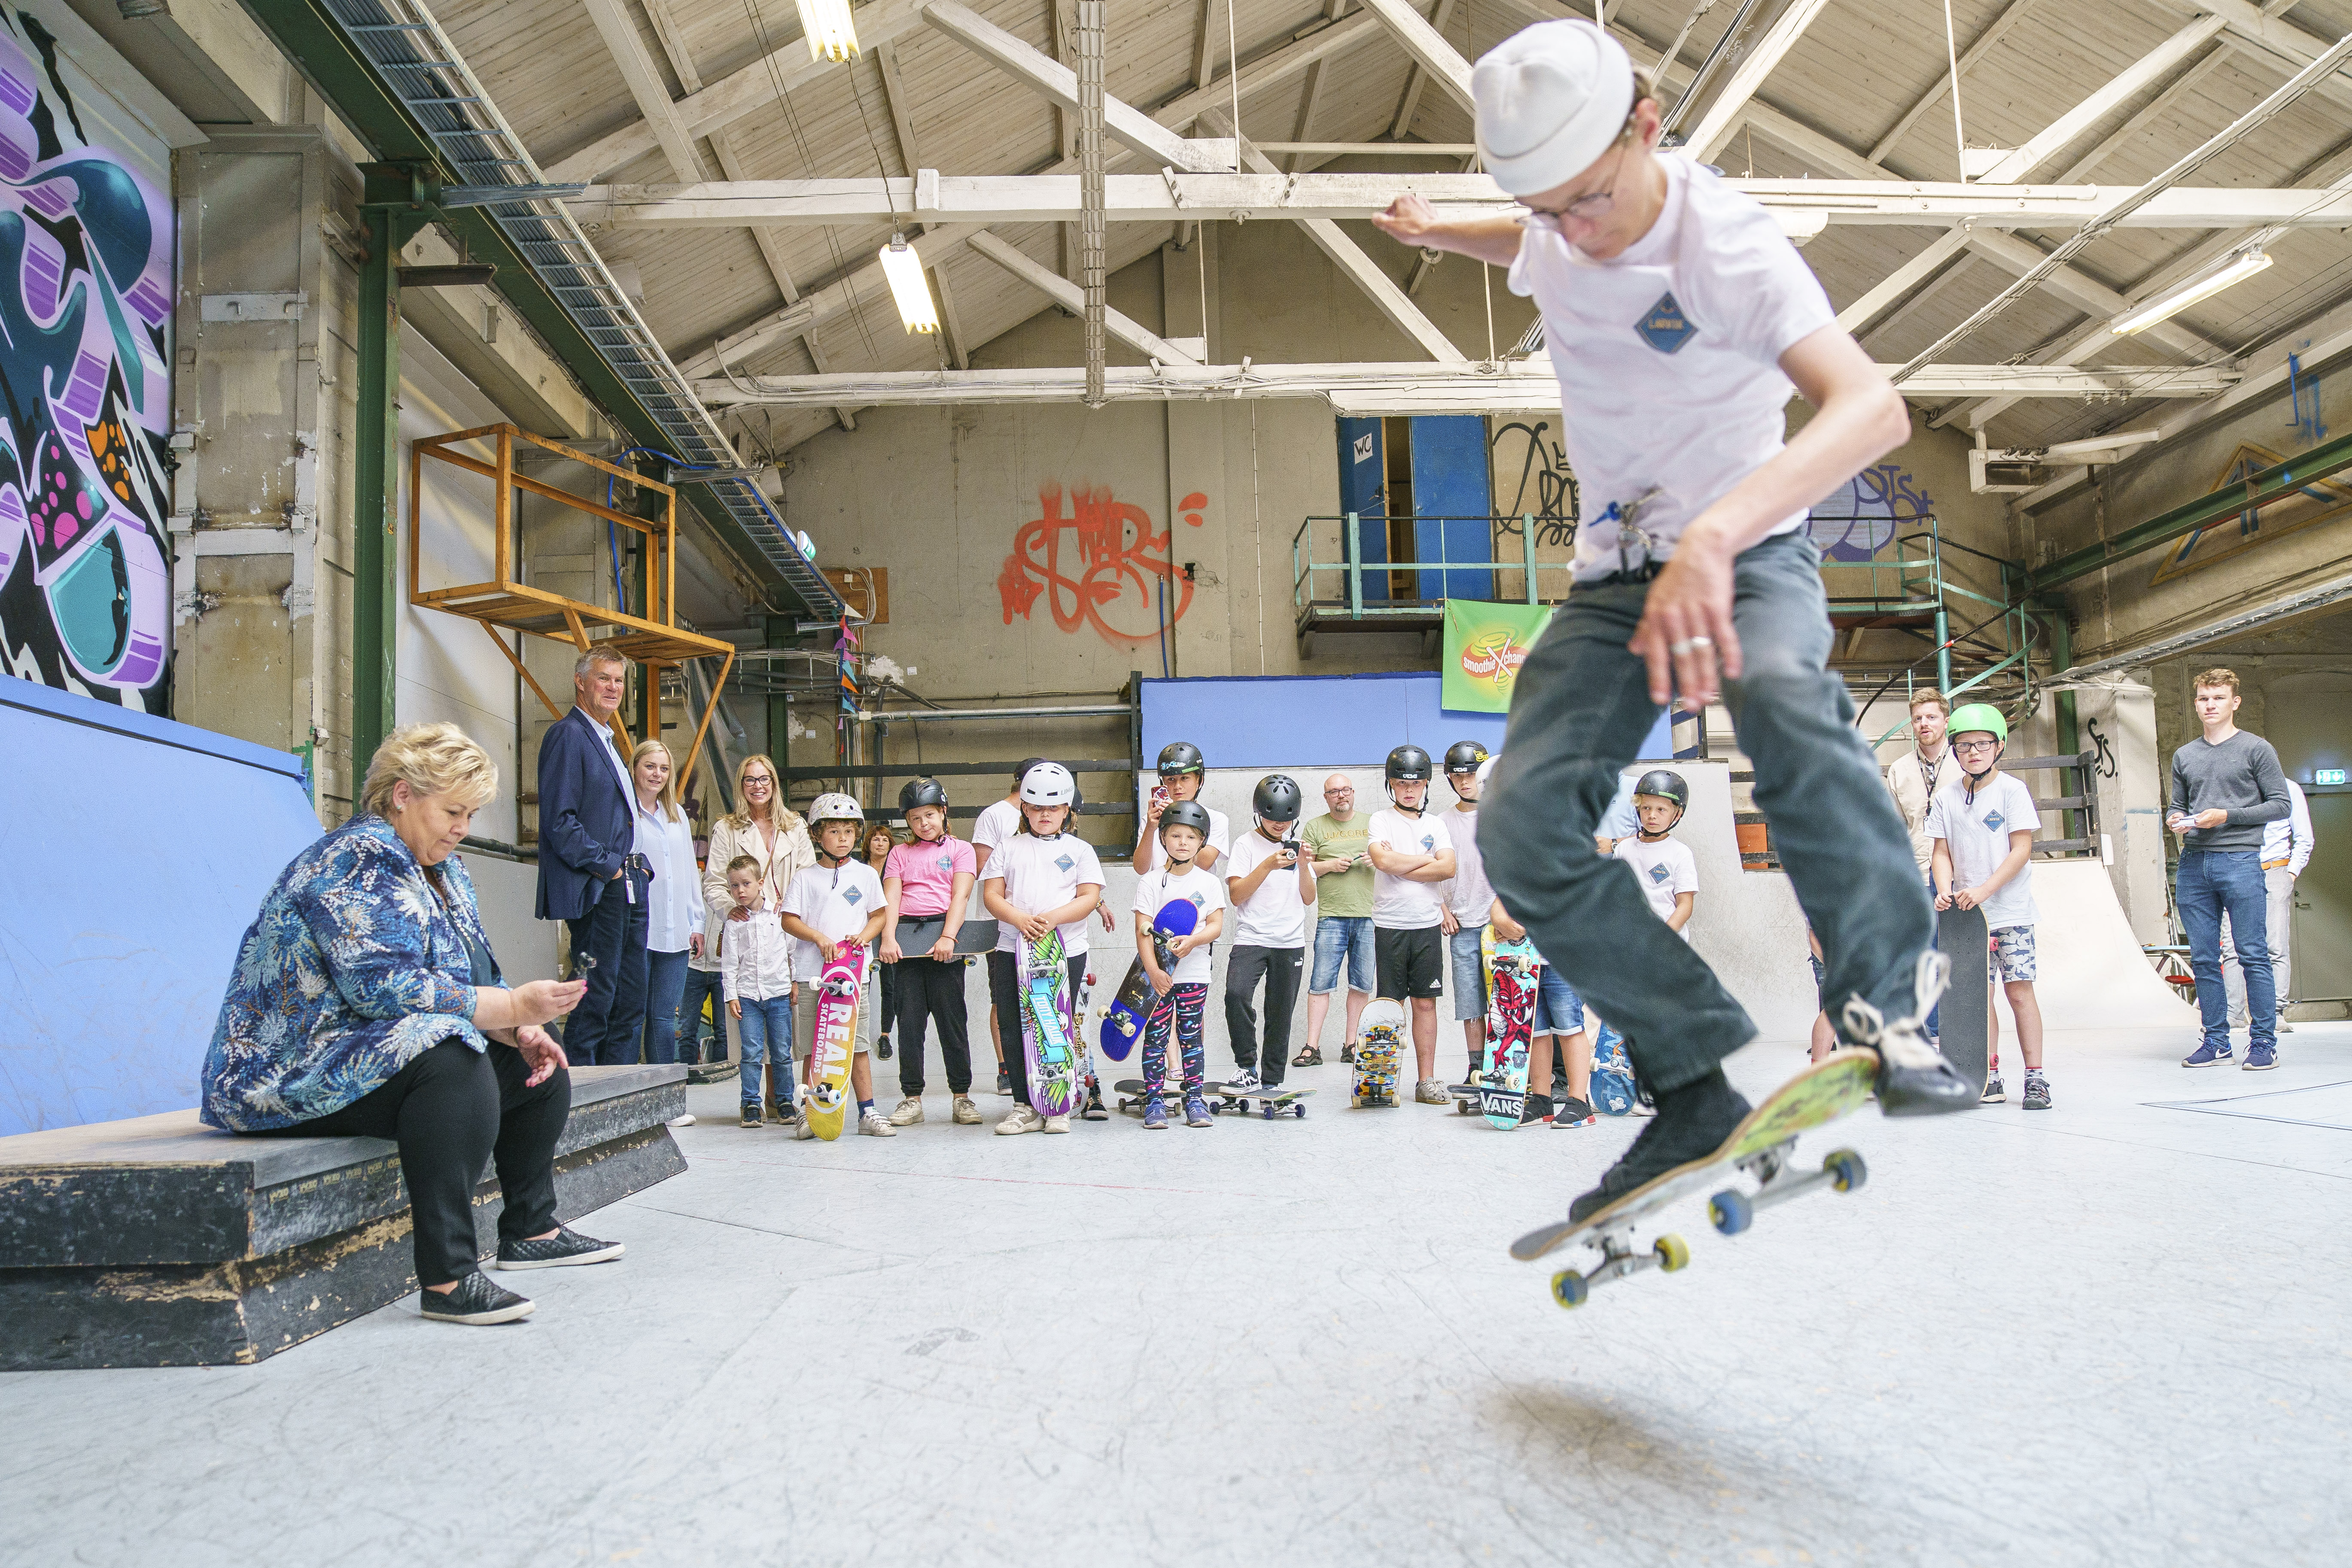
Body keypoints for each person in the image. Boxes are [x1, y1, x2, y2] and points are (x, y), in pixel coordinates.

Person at [1375, 18, 1972, 1218]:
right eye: (1544, 210)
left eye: (1587, 200)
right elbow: (1535, 244)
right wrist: (1451, 228)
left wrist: (1713, 534)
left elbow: (1872, 408)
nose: (1571, 233)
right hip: (1612, 580)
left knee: (1791, 711)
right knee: (1523, 827)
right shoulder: (1555, 226)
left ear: (1646, 129)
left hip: (1744, 550)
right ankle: (1689, 1078)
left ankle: (1883, 1004)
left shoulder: (1731, 249)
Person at [206, 722, 615, 1327]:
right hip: (290, 1069)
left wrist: (518, 1027)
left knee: (537, 1059)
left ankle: (529, 1227)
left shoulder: (445, 872)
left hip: (369, 1054)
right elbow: (381, 988)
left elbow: (473, 975)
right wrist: (506, 1009)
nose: (462, 828)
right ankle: (448, 1277)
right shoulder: (354, 859)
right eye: (453, 810)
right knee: (452, 1060)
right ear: (402, 795)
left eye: (471, 814)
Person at [2170, 668, 2292, 1070]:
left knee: (2252, 953)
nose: (2210, 705)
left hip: (2240, 859)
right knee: (2204, 957)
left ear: (2234, 702)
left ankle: (2263, 1042)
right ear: (2195, 703)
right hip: (2193, 863)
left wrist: (2227, 816)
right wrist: (2174, 818)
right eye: (2204, 699)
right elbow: (2177, 803)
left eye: (2218, 698)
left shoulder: (2257, 749)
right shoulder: (2184, 755)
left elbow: (2280, 805)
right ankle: (2216, 1039)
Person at [1927, 705, 2047, 1108]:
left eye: (1981, 744)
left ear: (1998, 747)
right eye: (1963, 745)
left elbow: (2021, 850)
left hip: (2009, 913)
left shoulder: (2011, 791)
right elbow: (1940, 852)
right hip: (1967, 919)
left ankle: (2035, 1077)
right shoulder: (1946, 797)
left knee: (2019, 994)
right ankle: (1988, 1075)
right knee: (1979, 1000)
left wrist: (1983, 889)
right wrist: (1945, 889)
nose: (1973, 752)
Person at [535, 647, 650, 1067]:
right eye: (603, 678)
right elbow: (559, 822)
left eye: (619, 680)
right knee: (596, 990)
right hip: (599, 884)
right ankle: (577, 1084)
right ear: (580, 682)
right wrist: (610, 866)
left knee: (626, 991)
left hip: (626, 881)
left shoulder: (606, 738)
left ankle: (616, 1085)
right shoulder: (568, 736)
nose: (613, 688)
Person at [980, 762, 1104, 1135]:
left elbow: (1089, 897)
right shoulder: (1007, 846)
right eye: (1036, 807)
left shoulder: (1080, 850)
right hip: (1012, 949)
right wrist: (1020, 919)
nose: (1045, 814)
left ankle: (1058, 1105)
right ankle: (1024, 1105)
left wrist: (1050, 918)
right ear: (1025, 809)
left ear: (1067, 810)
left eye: (1053, 808)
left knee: (1056, 1022)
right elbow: (991, 895)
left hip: (1065, 949)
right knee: (1016, 1023)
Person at [702, 753, 813, 1117]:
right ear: (741, 785)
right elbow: (714, 881)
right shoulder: (727, 828)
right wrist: (728, 908)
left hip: (787, 929)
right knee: (750, 1027)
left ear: (774, 783)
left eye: (764, 778)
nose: (758, 785)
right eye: (750, 779)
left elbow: (808, 874)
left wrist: (792, 909)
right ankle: (753, 1099)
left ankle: (781, 1097)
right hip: (745, 929)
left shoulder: (794, 826)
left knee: (785, 1028)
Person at [782, 795, 895, 1138]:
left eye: (849, 830)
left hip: (853, 976)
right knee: (814, 1047)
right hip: (813, 976)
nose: (843, 838)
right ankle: (809, 1111)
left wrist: (863, 936)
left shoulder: (864, 875)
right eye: (834, 831)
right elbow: (788, 919)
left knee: (857, 1044)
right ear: (818, 836)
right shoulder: (805, 877)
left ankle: (867, 1112)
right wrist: (817, 937)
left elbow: (879, 915)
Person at [882, 777, 980, 1127]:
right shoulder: (899, 853)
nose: (923, 824)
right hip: (906, 941)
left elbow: (960, 896)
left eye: (929, 815)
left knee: (952, 1022)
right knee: (909, 1024)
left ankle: (962, 1097)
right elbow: (892, 898)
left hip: (944, 937)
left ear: (943, 811)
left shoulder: (960, 849)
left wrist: (949, 937)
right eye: (914, 819)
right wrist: (888, 938)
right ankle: (911, 1098)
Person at [1366, 744, 1458, 1104]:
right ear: (1391, 785)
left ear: (1425, 785)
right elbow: (1381, 862)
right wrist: (1424, 860)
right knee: (1389, 1005)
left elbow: (1448, 868)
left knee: (1424, 1004)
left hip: (1426, 927)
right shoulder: (1380, 820)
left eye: (1416, 783)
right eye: (1401, 783)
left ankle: (1426, 1081)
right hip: (1390, 926)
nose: (1409, 789)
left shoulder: (1436, 824)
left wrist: (1399, 861)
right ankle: (1382, 1079)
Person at [1133, 800, 1228, 1128]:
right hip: (1156, 977)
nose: (1183, 842)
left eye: (1191, 836)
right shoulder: (1150, 881)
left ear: (1202, 841)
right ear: (1163, 838)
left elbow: (1215, 925)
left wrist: (1194, 941)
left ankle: (1195, 1099)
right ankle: (1155, 1101)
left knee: (1191, 1036)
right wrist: (1154, 971)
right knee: (1156, 1037)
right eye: (1175, 835)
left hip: (1195, 973)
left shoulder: (1209, 882)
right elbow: (1142, 931)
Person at [1223, 775, 1315, 1093]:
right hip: (1251, 937)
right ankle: (1246, 1066)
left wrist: (1303, 865)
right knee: (1235, 995)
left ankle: (1272, 1079)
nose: (1280, 825)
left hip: (1289, 942)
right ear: (1259, 812)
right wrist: (1266, 865)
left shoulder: (1297, 845)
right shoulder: (1245, 844)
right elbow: (1236, 894)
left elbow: (1308, 897)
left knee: (1280, 1013)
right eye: (1273, 818)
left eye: (1287, 819)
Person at [1883, 689, 1954, 1044]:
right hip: (1915, 873)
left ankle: (1964, 1031)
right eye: (1917, 719)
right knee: (1921, 955)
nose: (1924, 724)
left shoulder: (1963, 763)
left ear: (1945, 719)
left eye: (1930, 717)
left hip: (1960, 875)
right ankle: (1932, 1032)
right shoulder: (1899, 770)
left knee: (1959, 951)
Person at [974, 757, 1048, 1096]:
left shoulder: (1053, 813)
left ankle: (1045, 1067)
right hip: (1005, 923)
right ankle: (1007, 1069)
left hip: (1047, 926)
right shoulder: (995, 816)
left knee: (1046, 997)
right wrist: (1016, 914)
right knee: (1003, 998)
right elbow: (983, 868)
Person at [2223, 775, 2312, 1039]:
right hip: (2237, 869)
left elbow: (2304, 837)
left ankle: (2275, 1013)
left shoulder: (2289, 788)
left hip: (2274, 869)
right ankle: (2233, 1013)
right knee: (2232, 944)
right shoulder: (2235, 784)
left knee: (2275, 943)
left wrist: (2291, 873)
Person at [631, 741, 700, 1078]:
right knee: (631, 1013)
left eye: (663, 768)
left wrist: (697, 921)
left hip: (675, 930)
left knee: (662, 1016)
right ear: (634, 768)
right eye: (650, 766)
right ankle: (626, 1095)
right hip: (637, 930)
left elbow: (688, 871)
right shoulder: (625, 813)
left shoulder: (677, 816)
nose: (657, 774)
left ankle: (664, 1097)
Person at [1299, 773, 1375, 1066]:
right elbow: (1303, 869)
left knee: (1361, 984)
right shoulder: (1314, 826)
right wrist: (1330, 864)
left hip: (1368, 915)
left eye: (1345, 790)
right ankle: (1311, 1047)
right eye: (1334, 792)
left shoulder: (1373, 822)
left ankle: (1352, 1045)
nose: (1340, 795)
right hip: (1331, 916)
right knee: (1320, 983)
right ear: (1326, 797)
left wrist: (1376, 858)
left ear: (1353, 792)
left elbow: (1390, 858)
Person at [719, 854, 796, 1128]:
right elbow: (729, 963)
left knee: (782, 1052)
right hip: (748, 996)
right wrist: (731, 995)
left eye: (746, 884)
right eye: (734, 886)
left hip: (778, 994)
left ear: (761, 883)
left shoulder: (779, 914)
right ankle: (750, 1103)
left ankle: (784, 1101)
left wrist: (794, 982)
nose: (740, 891)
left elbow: (792, 952)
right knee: (751, 1052)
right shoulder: (734, 922)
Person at [1436, 740, 1495, 1090]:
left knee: (1505, 1000)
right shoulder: (1442, 822)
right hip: (1461, 923)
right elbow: (1433, 870)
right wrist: (1442, 909)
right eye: (1458, 775)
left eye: (1472, 773)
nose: (1465, 781)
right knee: (1470, 1001)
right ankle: (1477, 1068)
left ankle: (1504, 1062)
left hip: (1499, 924)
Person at [1614, 770, 1698, 939]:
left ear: (1677, 814)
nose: (1652, 815)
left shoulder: (1680, 853)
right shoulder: (1623, 849)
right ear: (1638, 809)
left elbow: (1685, 906)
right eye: (1646, 808)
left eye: (1661, 810)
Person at [1133, 740, 1231, 874]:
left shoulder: (1216, 819)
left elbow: (1204, 863)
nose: (1178, 786)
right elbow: (1140, 869)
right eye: (1171, 779)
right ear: (1163, 783)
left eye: (1185, 778)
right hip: (1162, 891)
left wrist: (1178, 818)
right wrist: (1151, 828)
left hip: (1199, 892)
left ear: (1199, 780)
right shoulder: (1151, 820)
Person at [860, 820, 901, 1063]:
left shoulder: (895, 869)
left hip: (890, 933)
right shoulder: (858, 869)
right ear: (868, 843)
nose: (881, 842)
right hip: (863, 931)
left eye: (885, 839)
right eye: (876, 839)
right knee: (862, 985)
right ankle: (859, 1036)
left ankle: (885, 1036)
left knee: (891, 987)